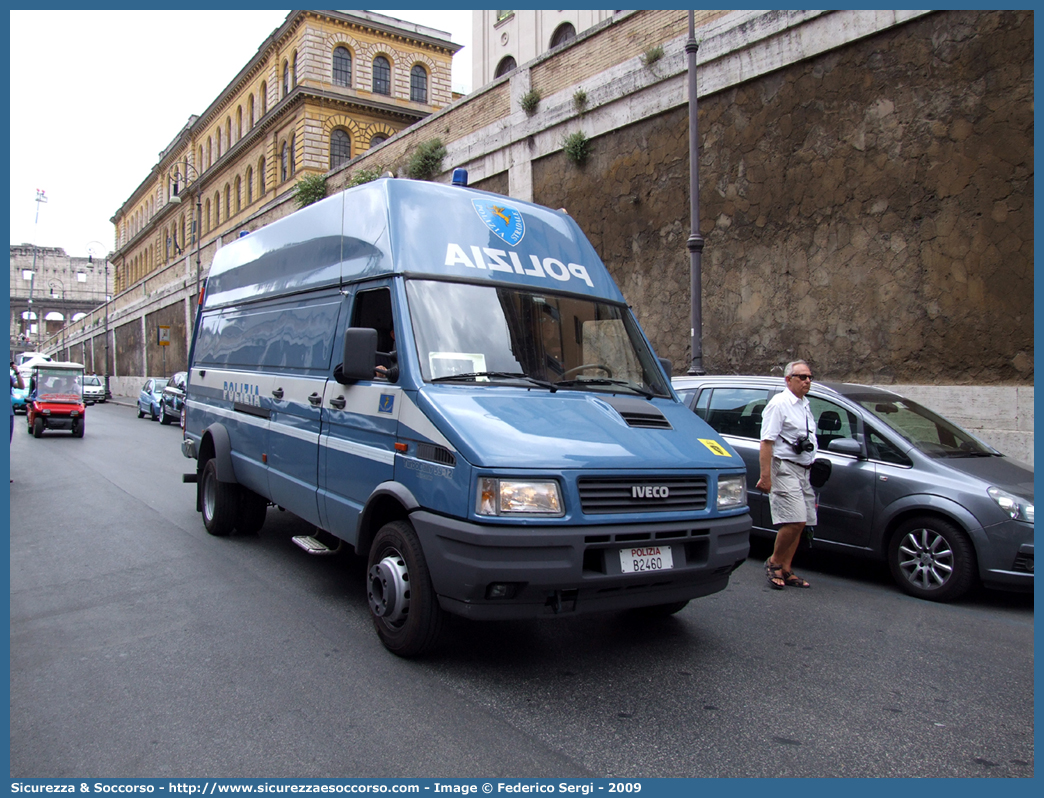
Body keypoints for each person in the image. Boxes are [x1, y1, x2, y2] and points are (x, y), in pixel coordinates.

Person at [756, 359, 817, 590]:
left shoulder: (803, 404)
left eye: (810, 377)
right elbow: (767, 442)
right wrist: (766, 476)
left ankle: (786, 568)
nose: (807, 381)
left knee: (802, 524)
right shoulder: (779, 404)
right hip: (784, 468)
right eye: (802, 377)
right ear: (788, 379)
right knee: (795, 520)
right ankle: (773, 562)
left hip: (803, 470)